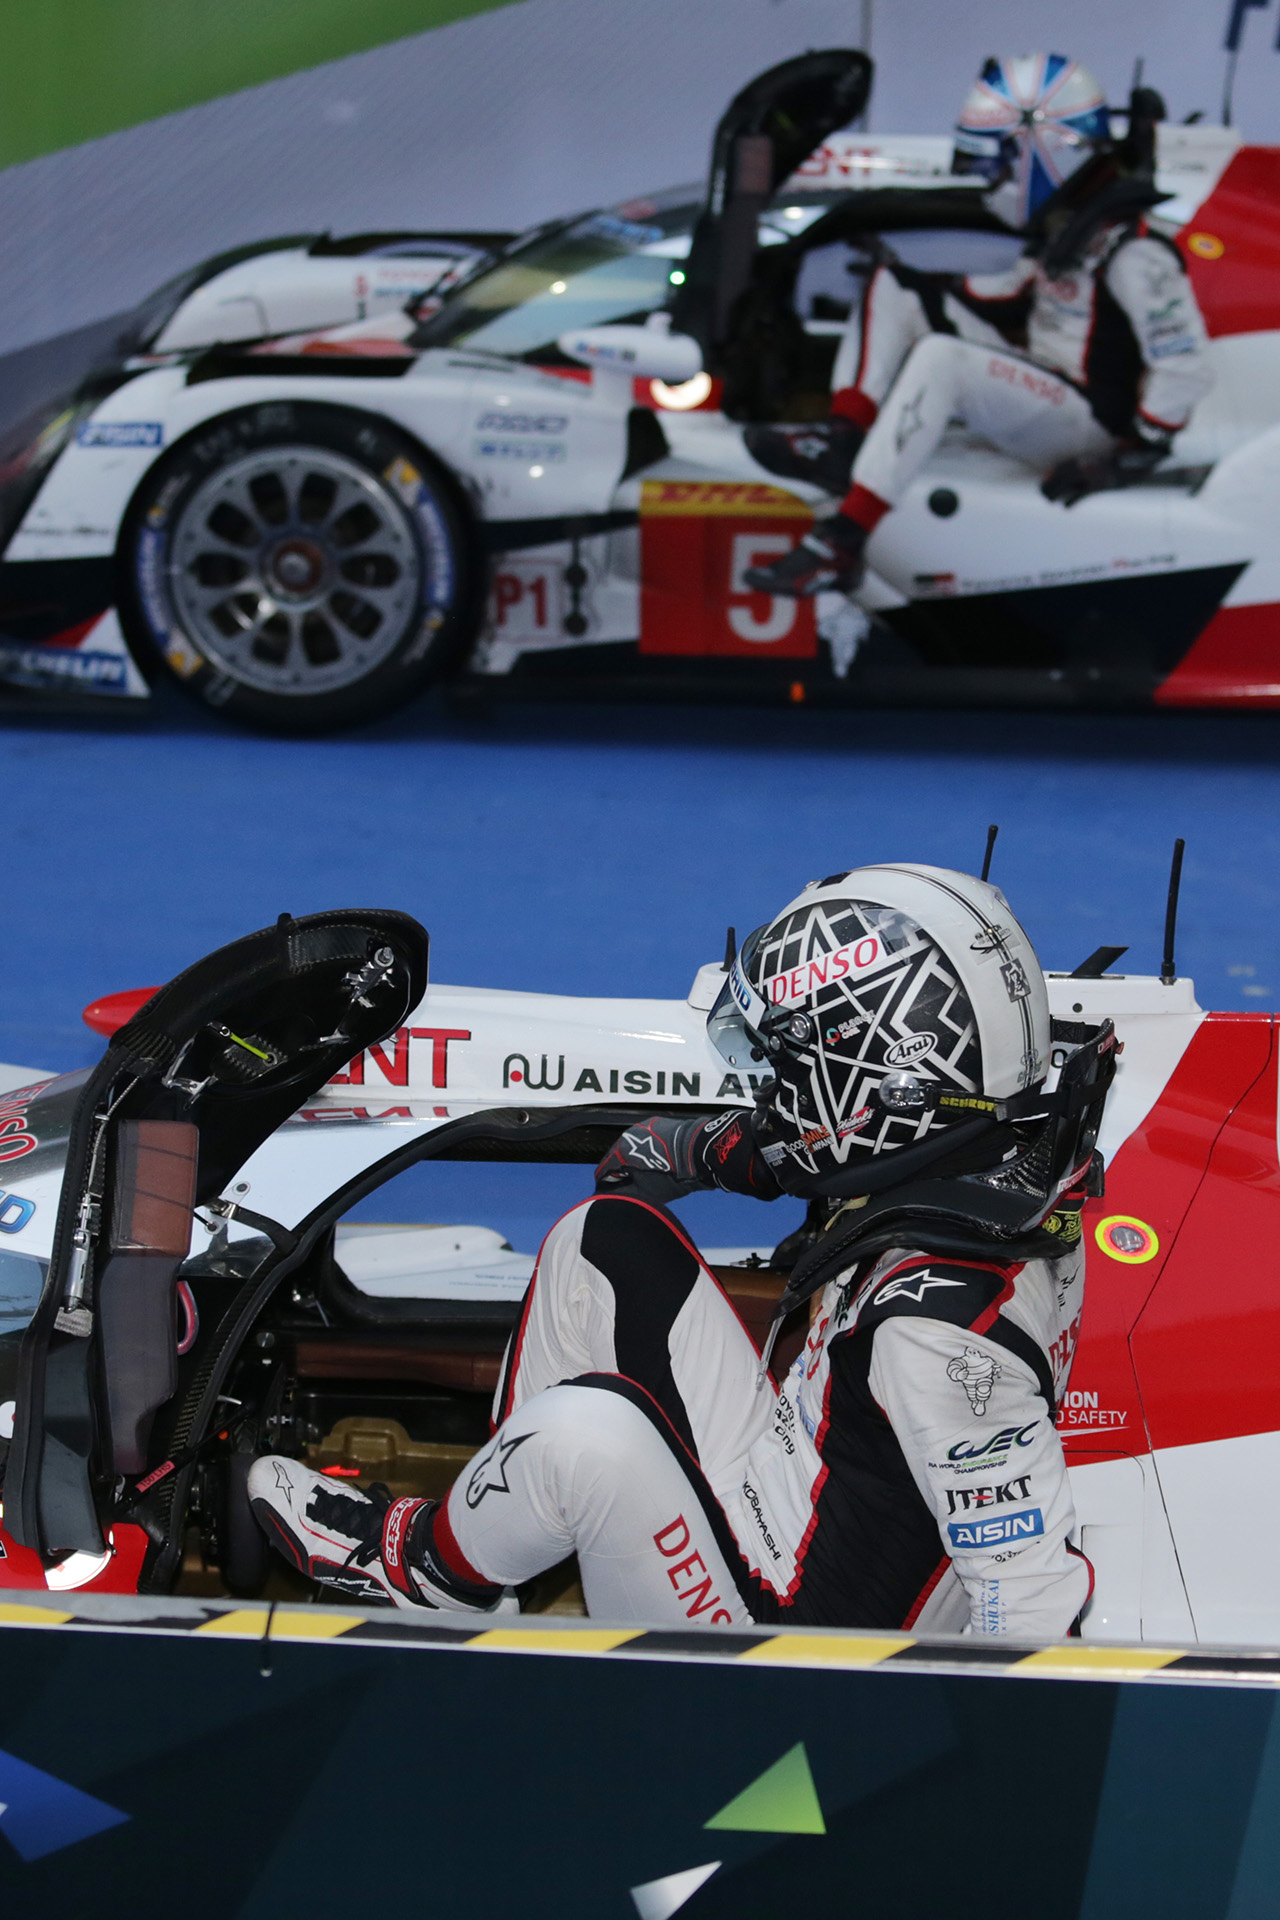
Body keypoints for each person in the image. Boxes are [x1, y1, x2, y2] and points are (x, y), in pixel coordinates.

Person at [249, 864, 1115, 1637]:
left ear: (886, 1080)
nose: (778, 1089)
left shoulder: (938, 1334)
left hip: (788, 1654)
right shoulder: (996, 1144)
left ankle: (427, 1572)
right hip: (788, 1492)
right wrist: (699, 1148)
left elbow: (1031, 1604)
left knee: (585, 1436)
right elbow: (844, 1146)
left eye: (793, 1068)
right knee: (604, 1242)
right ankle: (502, 1550)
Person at [742, 54, 1213, 598]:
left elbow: (1185, 366)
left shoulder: (1134, 253)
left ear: (1045, 153)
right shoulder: (1068, 231)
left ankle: (844, 539)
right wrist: (910, 278)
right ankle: (844, 442)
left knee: (943, 358)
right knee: (893, 283)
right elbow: (1001, 297)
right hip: (1049, 390)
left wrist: (1128, 457)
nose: (991, 182)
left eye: (1000, 166)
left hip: (1089, 427)